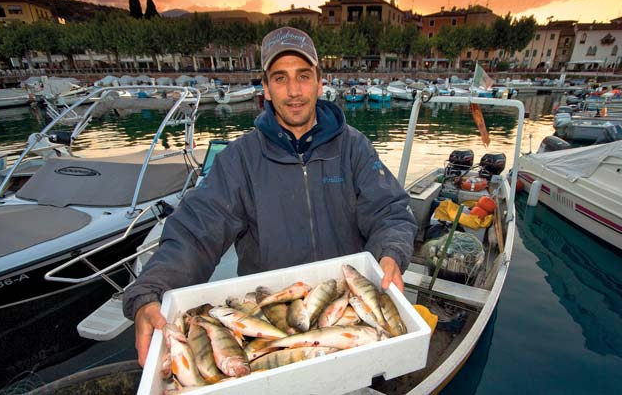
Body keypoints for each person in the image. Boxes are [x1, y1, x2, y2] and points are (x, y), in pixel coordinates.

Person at [123, 26, 418, 366]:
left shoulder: (354, 148)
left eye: (303, 76)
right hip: (269, 317)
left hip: (346, 308)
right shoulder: (239, 161)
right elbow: (194, 233)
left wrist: (390, 254)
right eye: (280, 78)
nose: (294, 91)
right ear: (265, 87)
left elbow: (390, 213)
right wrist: (150, 293)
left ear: (320, 82)